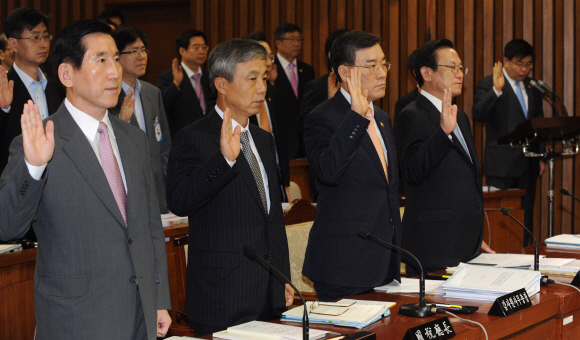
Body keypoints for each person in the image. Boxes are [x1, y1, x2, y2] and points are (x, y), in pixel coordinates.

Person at [0, 19, 171, 339]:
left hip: (140, 312)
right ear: (67, 74)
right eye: (101, 60)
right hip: (76, 318)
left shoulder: (133, 139)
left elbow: (148, 226)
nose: (114, 72)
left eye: (116, 59)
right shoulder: (43, 140)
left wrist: (159, 298)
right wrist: (34, 167)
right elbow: (6, 225)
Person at [166, 38, 293, 336]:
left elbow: (271, 219)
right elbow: (180, 201)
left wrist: (283, 277)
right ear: (222, 84)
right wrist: (224, 160)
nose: (262, 87)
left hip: (268, 296)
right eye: (251, 79)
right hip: (223, 296)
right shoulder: (192, 138)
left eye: (263, 77)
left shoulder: (263, 139)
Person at [302, 31, 401, 301]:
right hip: (344, 265)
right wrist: (356, 117)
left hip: (384, 260)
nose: (382, 73)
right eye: (371, 65)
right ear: (345, 71)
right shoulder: (322, 117)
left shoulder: (382, 118)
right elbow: (327, 173)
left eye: (384, 64)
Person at [395, 38, 494, 277]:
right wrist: (442, 133)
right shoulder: (411, 115)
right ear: (426, 73)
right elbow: (412, 172)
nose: (460, 74)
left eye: (461, 68)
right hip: (434, 246)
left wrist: (473, 234)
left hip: (464, 242)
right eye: (452, 67)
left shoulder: (461, 117)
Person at [472, 39, 544, 247]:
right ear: (505, 61)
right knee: (502, 215)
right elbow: (478, 114)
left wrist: (540, 155)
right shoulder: (489, 83)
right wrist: (496, 90)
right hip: (502, 163)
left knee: (526, 213)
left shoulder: (533, 87)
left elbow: (537, 123)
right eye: (519, 63)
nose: (524, 69)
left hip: (529, 162)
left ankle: (525, 253)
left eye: (528, 64)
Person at [110, 26, 171, 213]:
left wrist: (166, 182)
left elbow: (164, 143)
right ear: (117, 56)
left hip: (157, 189)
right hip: (126, 187)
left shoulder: (152, 92)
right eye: (134, 51)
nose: (141, 56)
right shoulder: (108, 95)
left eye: (143, 50)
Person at [0, 8, 65, 174]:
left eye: (45, 36)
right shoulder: (3, 88)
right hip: (16, 180)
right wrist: (3, 109)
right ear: (13, 44)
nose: (43, 43)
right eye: (35, 37)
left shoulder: (57, 89)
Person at [242, 30, 291, 201]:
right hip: (252, 177)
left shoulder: (272, 93)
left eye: (271, 57)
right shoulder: (240, 98)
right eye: (265, 57)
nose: (270, 62)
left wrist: (286, 181)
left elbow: (280, 140)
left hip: (275, 175)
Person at [156, 29, 215, 137]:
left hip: (208, 137)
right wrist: (175, 84)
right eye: (196, 47)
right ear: (182, 51)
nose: (202, 51)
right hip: (181, 138)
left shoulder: (210, 77)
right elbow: (162, 106)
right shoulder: (167, 77)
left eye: (204, 47)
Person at [273, 23, 315, 159]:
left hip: (304, 139)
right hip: (280, 137)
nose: (296, 43)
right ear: (278, 42)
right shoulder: (270, 68)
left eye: (299, 39)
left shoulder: (307, 70)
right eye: (291, 39)